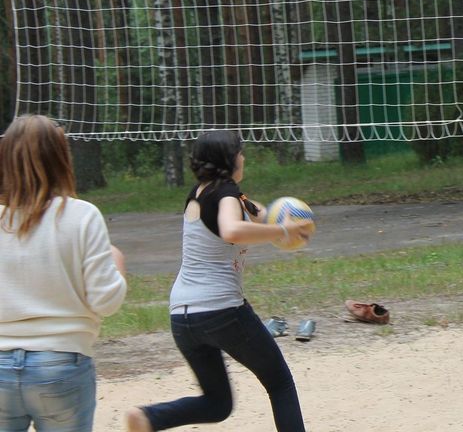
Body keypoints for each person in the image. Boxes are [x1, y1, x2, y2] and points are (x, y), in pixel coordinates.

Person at [125, 131, 314, 431]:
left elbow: (256, 213)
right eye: (240, 152)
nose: (244, 157)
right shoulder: (225, 194)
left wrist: (285, 220)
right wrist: (283, 232)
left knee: (217, 403)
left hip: (183, 317)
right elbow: (231, 230)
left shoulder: (202, 193)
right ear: (228, 160)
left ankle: (149, 418)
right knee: (279, 383)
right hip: (221, 311)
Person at [0, 114, 128, 432]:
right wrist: (118, 264)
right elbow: (105, 302)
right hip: (61, 361)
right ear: (60, 157)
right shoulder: (82, 216)